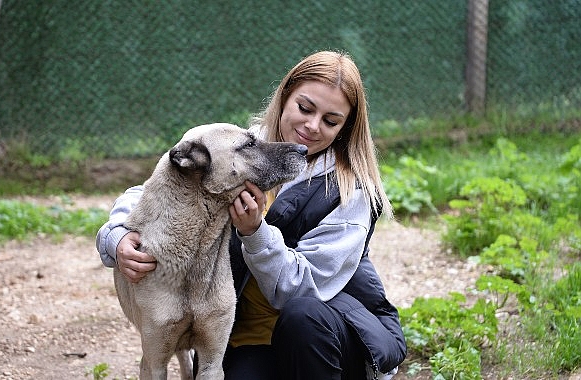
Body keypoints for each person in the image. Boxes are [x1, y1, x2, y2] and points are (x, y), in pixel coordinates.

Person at [96, 50, 406, 380]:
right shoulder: (239, 152)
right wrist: (116, 238)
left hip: (326, 340)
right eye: (304, 108)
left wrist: (255, 231)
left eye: (331, 121)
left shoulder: (349, 190)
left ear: (345, 128)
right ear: (285, 97)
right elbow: (163, 188)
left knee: (304, 316)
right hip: (250, 342)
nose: (312, 126)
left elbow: (299, 290)